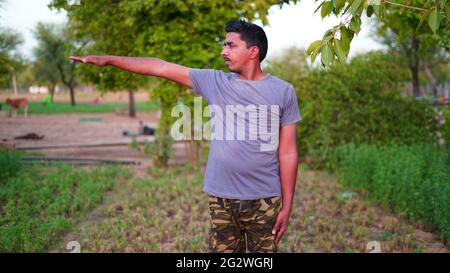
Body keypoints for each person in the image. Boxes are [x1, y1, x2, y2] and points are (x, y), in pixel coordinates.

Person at [70, 19, 302, 253]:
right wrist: (109, 60)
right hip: (221, 197)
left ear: (253, 51)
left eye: (231, 45)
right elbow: (159, 67)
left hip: (265, 199)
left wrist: (287, 205)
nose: (223, 51)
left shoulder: (283, 91)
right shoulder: (215, 82)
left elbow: (288, 151)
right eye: (224, 45)